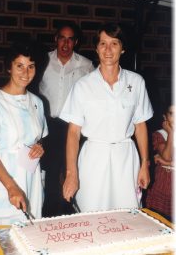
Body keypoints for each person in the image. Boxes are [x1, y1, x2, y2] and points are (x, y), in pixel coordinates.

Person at [59, 22, 153, 212]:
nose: (108, 50)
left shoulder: (136, 82)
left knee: (128, 215)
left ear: (123, 48)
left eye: (114, 43)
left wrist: (145, 164)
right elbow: (73, 133)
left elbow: (140, 125)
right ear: (96, 48)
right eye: (103, 43)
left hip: (126, 158)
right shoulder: (83, 86)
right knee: (91, 214)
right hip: (94, 158)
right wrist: (71, 173)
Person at [0, 41, 48, 238]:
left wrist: (39, 147)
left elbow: (39, 139)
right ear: (9, 67)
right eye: (20, 65)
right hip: (3, 180)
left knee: (29, 238)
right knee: (3, 240)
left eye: (31, 66)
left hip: (30, 176)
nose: (25, 73)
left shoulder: (37, 103)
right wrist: (11, 187)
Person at [39, 21, 94, 216]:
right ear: (56, 39)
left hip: (73, 126)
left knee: (71, 170)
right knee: (51, 173)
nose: (65, 43)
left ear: (76, 42)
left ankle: (69, 212)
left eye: (70, 39)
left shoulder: (86, 66)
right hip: (49, 125)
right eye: (62, 37)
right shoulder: (42, 61)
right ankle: (50, 214)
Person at [146, 102, 174, 221]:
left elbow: (166, 160)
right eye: (172, 114)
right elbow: (167, 156)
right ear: (165, 117)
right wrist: (171, 133)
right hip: (163, 185)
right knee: (158, 220)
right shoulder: (160, 135)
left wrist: (167, 163)